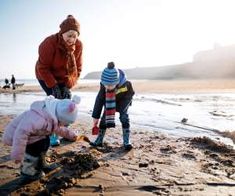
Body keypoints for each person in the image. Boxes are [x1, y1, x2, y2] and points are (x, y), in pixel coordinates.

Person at [2, 95, 81, 181]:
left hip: (34, 135)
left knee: (45, 141)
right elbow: (20, 134)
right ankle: (28, 171)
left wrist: (72, 135)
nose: (63, 125)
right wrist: (17, 154)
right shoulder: (37, 119)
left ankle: (41, 162)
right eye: (63, 123)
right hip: (15, 136)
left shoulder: (52, 116)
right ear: (58, 117)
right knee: (35, 149)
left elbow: (60, 129)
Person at [35, 15, 83, 146]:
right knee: (54, 104)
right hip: (45, 75)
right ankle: (53, 135)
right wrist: (53, 86)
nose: (72, 39)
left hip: (65, 77)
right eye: (69, 35)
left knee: (66, 104)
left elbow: (77, 69)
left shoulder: (78, 46)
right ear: (62, 33)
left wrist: (68, 86)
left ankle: (65, 131)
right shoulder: (48, 43)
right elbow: (43, 67)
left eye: (75, 36)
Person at [90, 62, 135, 150]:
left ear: (117, 81)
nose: (108, 87)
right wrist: (96, 116)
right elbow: (99, 99)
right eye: (106, 85)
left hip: (123, 103)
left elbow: (130, 95)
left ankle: (126, 141)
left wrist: (122, 108)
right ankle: (99, 140)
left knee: (124, 118)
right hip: (109, 102)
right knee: (104, 119)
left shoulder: (126, 84)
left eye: (111, 85)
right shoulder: (104, 86)